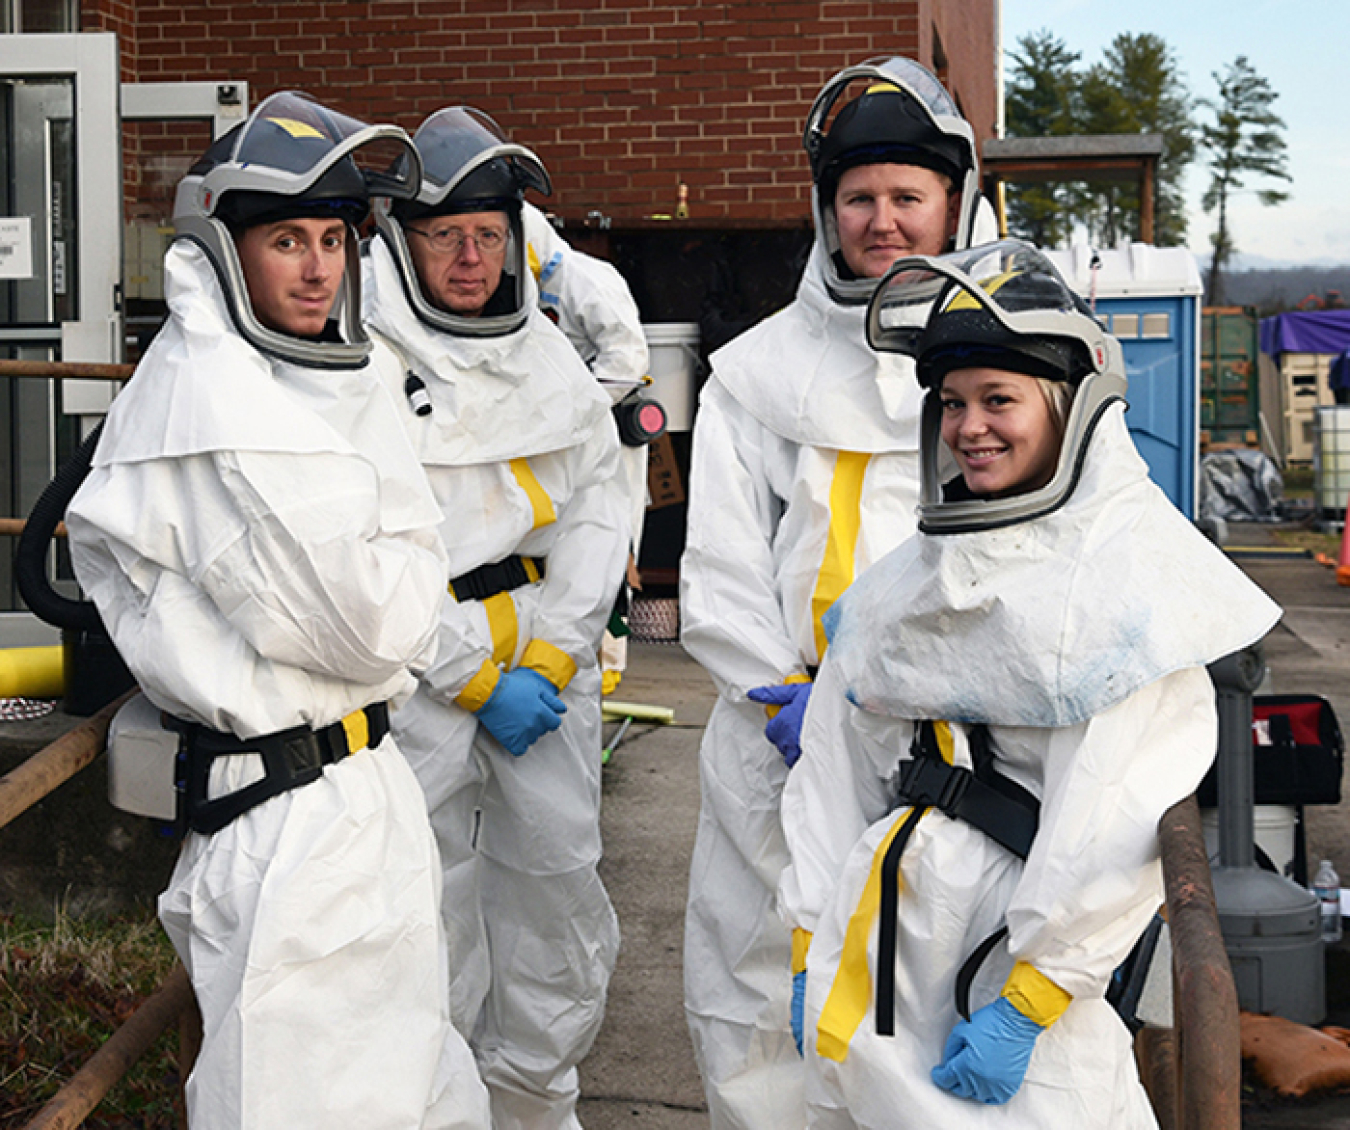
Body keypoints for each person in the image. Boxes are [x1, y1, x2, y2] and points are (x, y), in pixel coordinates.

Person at [778, 239, 1281, 1127]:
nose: (970, 426)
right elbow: (833, 773)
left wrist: (1034, 996)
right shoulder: (904, 582)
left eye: (1000, 400)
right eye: (954, 403)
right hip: (885, 943)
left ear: (1068, 411)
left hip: (1015, 970)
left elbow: (1118, 810)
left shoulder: (1132, 586)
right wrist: (808, 939)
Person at [65, 93, 490, 1129]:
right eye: (286, 240)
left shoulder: (318, 381)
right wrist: (403, 561)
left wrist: (401, 567)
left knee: (416, 1092)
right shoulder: (212, 405)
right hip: (289, 822)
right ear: (223, 251)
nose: (316, 267)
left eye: (334, 239)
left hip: (364, 792)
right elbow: (377, 624)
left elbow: (397, 590)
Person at [677, 56, 994, 1129]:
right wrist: (789, 695)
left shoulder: (1006, 360)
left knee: (919, 992)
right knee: (760, 995)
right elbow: (720, 563)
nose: (883, 219)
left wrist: (892, 699)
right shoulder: (755, 374)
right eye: (860, 197)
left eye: (908, 195)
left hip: (942, 746)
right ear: (826, 210)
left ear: (954, 201)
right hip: (779, 739)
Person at [363, 105, 630, 1130]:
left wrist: (556, 652)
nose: (471, 257)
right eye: (446, 235)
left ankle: (533, 1102)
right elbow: (368, 545)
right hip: (423, 679)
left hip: (546, 685)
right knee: (424, 896)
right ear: (403, 241)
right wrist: (469, 670)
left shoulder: (552, 356)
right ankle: (440, 1104)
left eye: (490, 233)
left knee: (557, 887)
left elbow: (599, 509)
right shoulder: (371, 366)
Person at [521, 201, 652, 692]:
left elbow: (626, 359)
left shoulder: (588, 280)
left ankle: (608, 662)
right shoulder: (531, 289)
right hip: (553, 436)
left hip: (603, 432)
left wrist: (571, 409)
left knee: (608, 538)